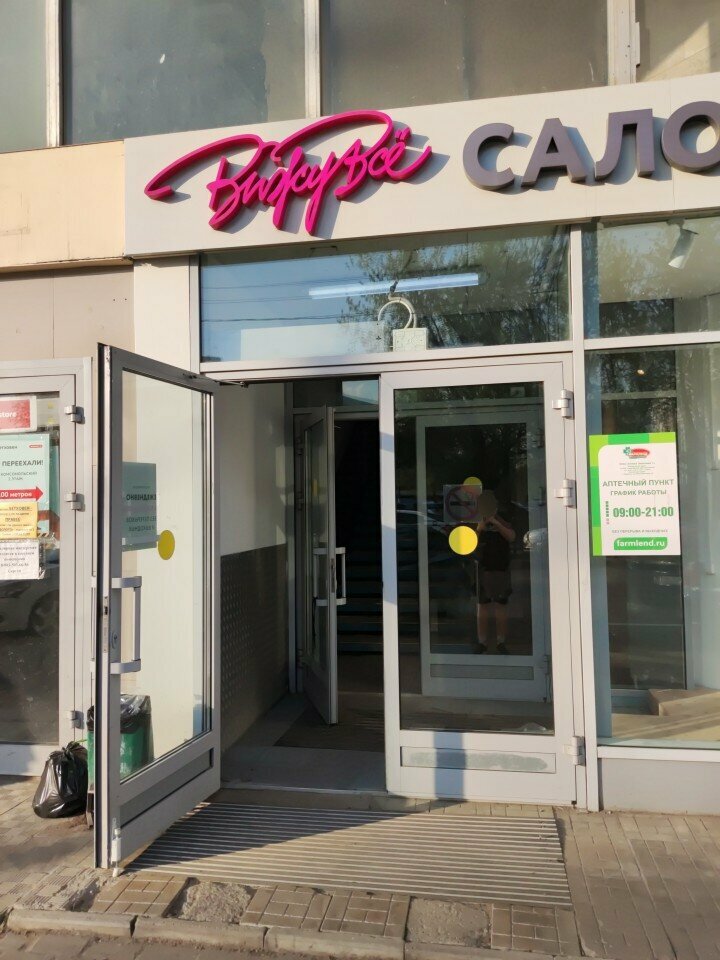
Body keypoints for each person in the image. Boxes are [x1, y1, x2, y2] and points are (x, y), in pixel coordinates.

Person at [475, 498, 516, 654]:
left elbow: (511, 536)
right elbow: (468, 542)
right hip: (483, 568)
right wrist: (480, 528)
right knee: (482, 606)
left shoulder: (503, 518)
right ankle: (482, 642)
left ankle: (501, 642)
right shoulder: (477, 519)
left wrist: (497, 523)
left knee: (501, 605)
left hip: (501, 568)